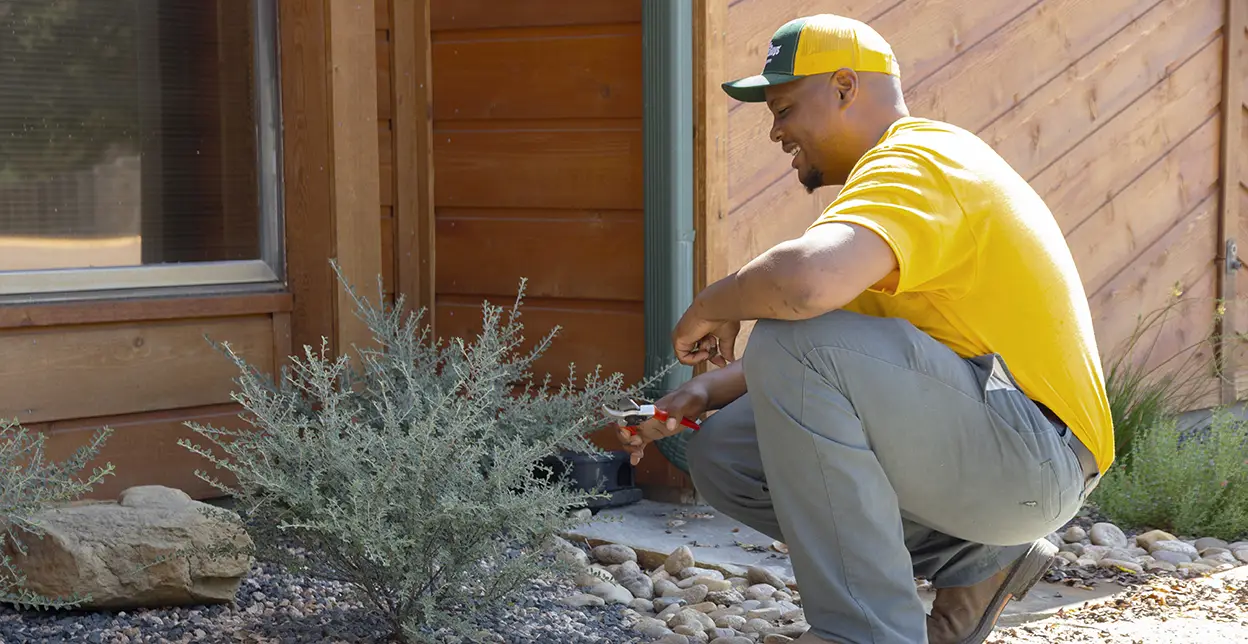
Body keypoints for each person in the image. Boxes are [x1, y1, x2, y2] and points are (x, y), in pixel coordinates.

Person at [618, 13, 1114, 644]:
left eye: (785, 108)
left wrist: (713, 302)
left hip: (1038, 456)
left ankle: (865, 635)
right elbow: (850, 349)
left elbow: (802, 291)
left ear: (846, 87)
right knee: (728, 453)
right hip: (1001, 449)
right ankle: (978, 562)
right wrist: (707, 392)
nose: (776, 132)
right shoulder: (889, 194)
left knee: (789, 337)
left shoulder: (923, 160)